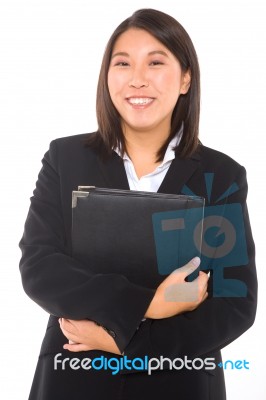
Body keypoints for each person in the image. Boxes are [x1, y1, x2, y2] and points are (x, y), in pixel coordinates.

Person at [19, 8, 257, 400]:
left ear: (185, 78)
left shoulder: (222, 176)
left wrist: (124, 344)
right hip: (74, 375)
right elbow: (40, 268)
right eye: (123, 63)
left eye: (156, 62)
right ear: (107, 76)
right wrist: (153, 303)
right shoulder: (65, 159)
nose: (137, 79)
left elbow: (234, 305)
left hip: (180, 382)